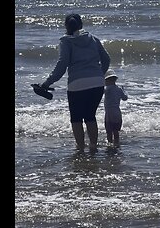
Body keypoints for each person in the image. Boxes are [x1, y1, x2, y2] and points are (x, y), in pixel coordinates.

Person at [39, 13, 110, 151]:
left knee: (76, 118)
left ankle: (80, 148)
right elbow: (106, 59)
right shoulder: (93, 39)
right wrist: (99, 74)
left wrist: (47, 83)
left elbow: (62, 64)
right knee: (90, 116)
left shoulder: (66, 41)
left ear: (66, 26)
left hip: (77, 84)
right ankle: (93, 147)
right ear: (81, 24)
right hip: (97, 83)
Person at [103, 69, 128, 147]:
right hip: (117, 112)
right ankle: (116, 143)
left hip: (109, 113)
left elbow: (100, 92)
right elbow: (125, 98)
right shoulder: (119, 89)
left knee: (109, 130)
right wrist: (124, 91)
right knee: (116, 130)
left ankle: (110, 143)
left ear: (107, 81)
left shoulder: (107, 89)